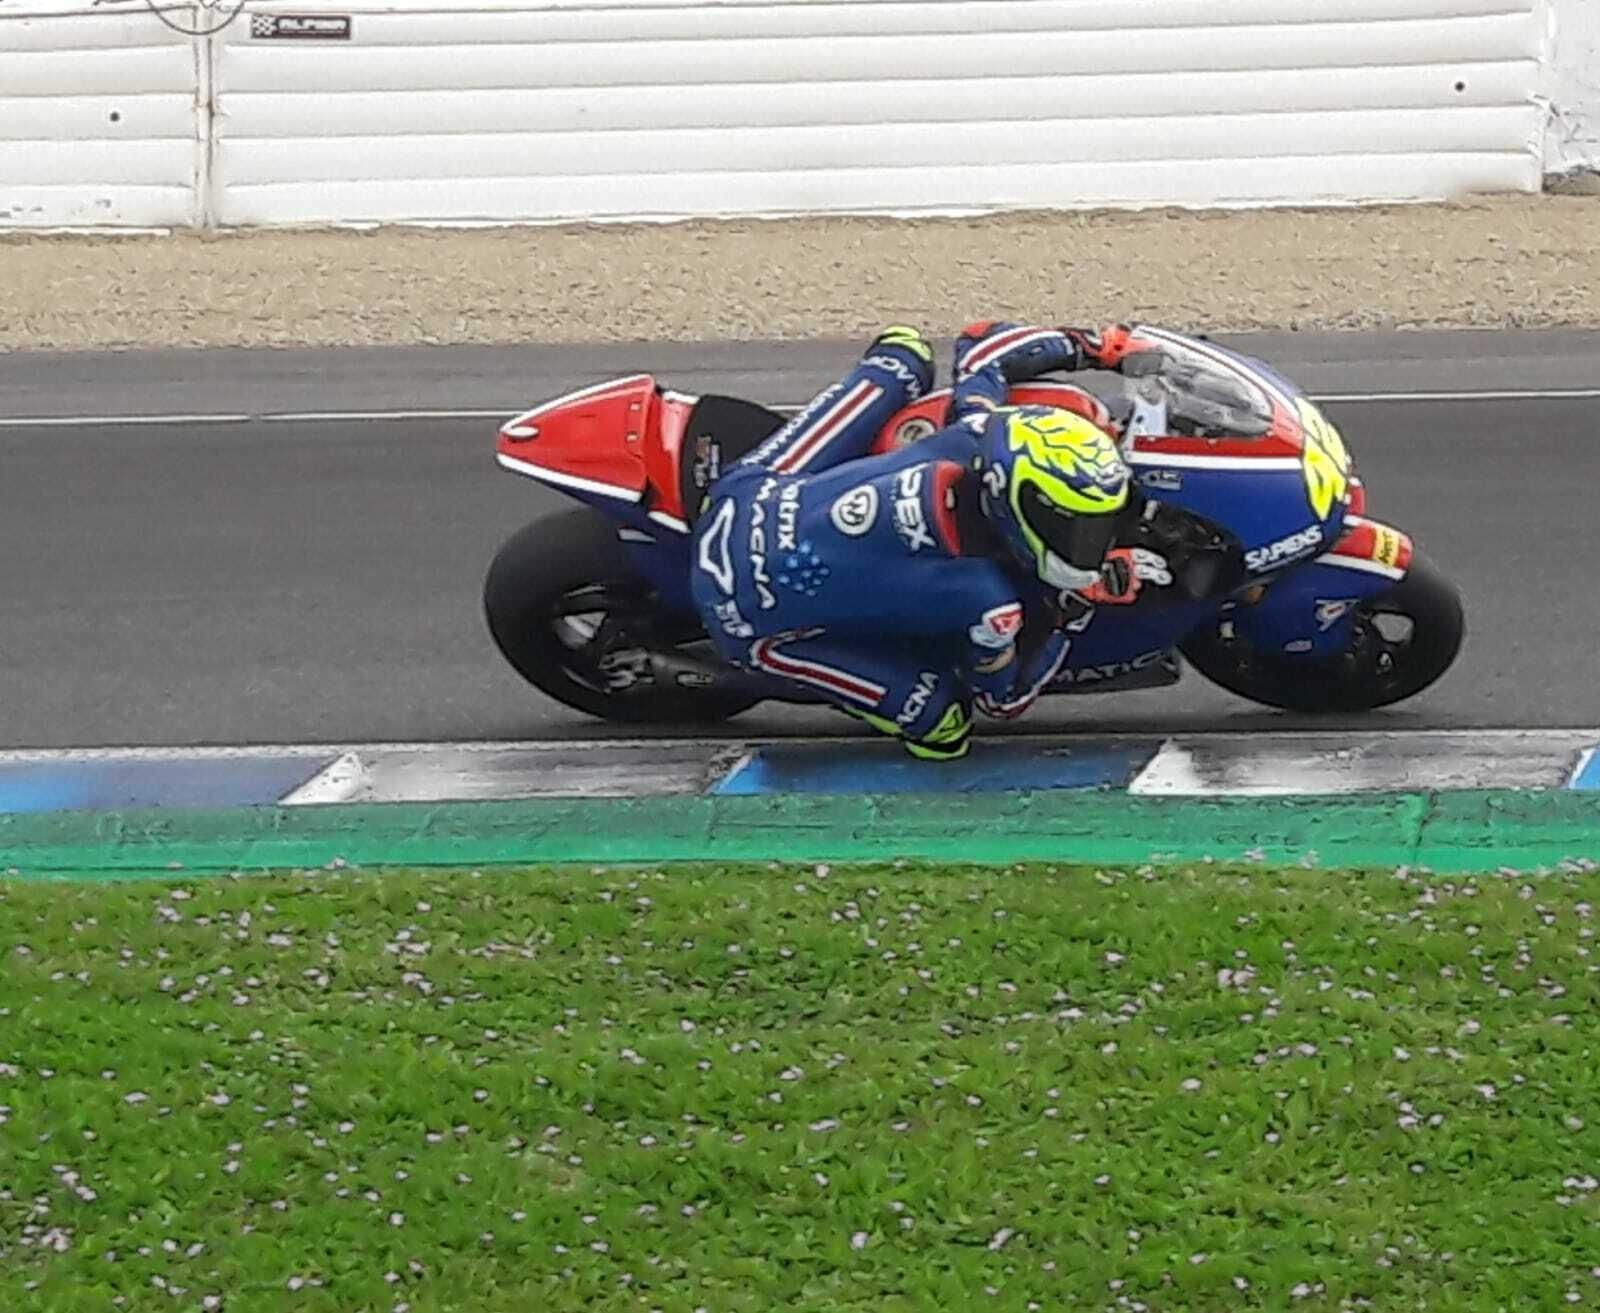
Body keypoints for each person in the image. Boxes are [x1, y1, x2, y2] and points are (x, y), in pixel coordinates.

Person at [689, 321, 1148, 760]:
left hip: (742, 494)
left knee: (904, 354)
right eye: (1082, 528)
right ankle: (803, 676)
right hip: (743, 615)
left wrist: (1094, 347)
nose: (1095, 540)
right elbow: (1004, 700)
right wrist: (1073, 610)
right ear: (1027, 510)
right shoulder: (989, 603)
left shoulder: (976, 430)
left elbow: (980, 346)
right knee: (942, 727)